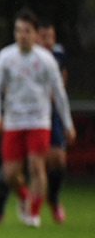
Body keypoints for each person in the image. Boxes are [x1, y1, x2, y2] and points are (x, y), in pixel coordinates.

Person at [0, 8, 74, 227]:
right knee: (10, 174)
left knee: (37, 167)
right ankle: (24, 196)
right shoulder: (6, 57)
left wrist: (67, 123)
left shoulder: (46, 60)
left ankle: (33, 214)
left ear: (35, 34)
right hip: (13, 121)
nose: (21, 35)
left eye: (26, 31)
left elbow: (59, 94)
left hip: (38, 121)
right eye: (18, 31)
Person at [37, 20, 68, 223]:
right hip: (24, 114)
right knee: (14, 167)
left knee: (57, 159)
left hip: (49, 113)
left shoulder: (57, 54)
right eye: (44, 37)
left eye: (51, 37)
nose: (48, 41)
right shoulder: (22, 55)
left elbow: (62, 83)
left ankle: (53, 199)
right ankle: (0, 208)